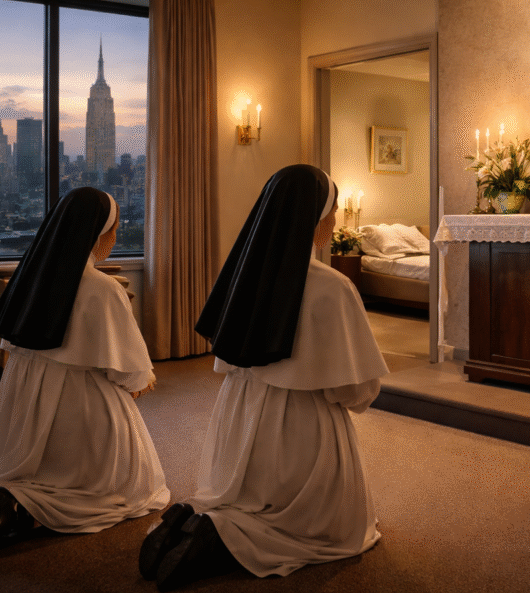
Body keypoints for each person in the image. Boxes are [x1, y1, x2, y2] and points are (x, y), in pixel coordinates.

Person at [139, 164, 389, 591]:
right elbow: (357, 390)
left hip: (240, 419)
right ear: (313, 217)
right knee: (333, 530)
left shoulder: (242, 273)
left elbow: (228, 358)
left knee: (241, 496)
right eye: (330, 211)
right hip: (303, 430)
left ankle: (203, 521)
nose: (333, 222)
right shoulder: (332, 287)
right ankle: (223, 540)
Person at [0, 187, 169, 556]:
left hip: (22, 405)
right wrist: (141, 381)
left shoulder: (27, 275)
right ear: (97, 231)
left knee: (26, 468)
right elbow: (129, 370)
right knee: (132, 487)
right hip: (79, 408)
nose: (116, 237)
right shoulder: (103, 289)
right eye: (114, 228)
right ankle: (23, 510)